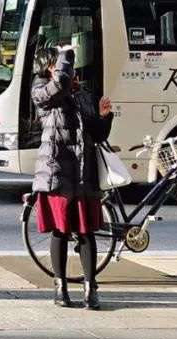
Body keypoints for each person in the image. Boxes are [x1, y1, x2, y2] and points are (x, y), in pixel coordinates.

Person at [30, 45, 114, 311]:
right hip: (58, 170)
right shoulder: (43, 89)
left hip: (83, 171)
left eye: (65, 63)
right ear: (48, 67)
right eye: (58, 63)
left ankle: (91, 290)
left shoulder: (82, 92)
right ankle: (60, 287)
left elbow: (98, 134)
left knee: (87, 231)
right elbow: (60, 85)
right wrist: (66, 55)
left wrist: (104, 117)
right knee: (61, 231)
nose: (66, 68)